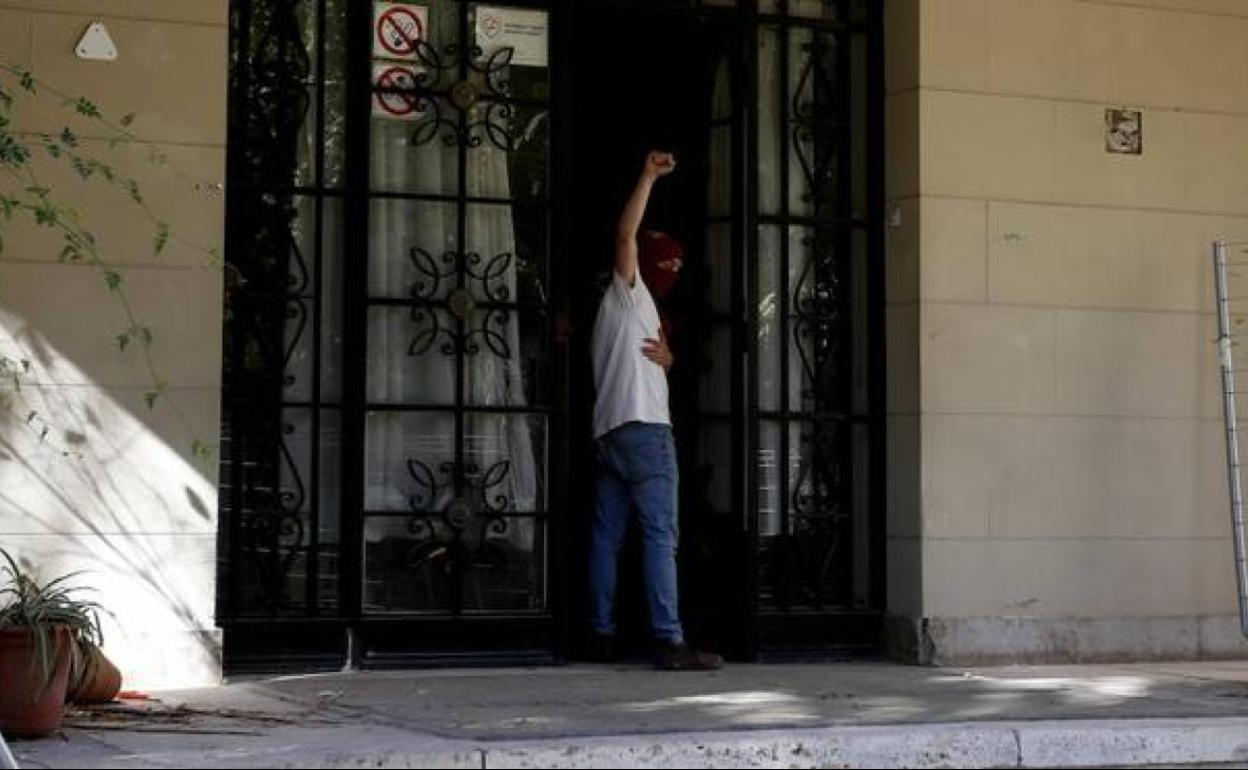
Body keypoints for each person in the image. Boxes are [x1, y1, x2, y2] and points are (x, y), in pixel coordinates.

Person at [586, 150, 723, 671]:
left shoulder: (617, 312)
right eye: (666, 260)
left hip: (610, 434)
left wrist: (669, 360)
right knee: (661, 536)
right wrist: (647, 175)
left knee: (607, 537)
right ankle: (669, 639)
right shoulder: (629, 292)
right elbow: (626, 237)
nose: (674, 269)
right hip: (644, 431)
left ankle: (600, 633)